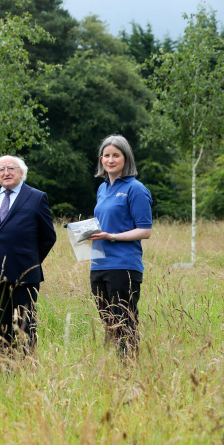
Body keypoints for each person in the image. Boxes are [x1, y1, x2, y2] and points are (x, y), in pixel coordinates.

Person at [0, 155, 57, 356]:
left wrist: (30, 261)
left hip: (25, 274)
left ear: (22, 172)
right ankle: (6, 369)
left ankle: (27, 369)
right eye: (1, 170)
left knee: (24, 325)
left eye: (11, 168)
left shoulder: (36, 197)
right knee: (2, 327)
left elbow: (48, 237)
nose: (6, 173)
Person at [89, 135, 152, 357]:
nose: (111, 159)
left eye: (116, 155)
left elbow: (145, 230)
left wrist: (111, 236)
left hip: (123, 265)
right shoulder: (102, 188)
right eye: (107, 155)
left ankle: (130, 370)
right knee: (109, 323)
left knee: (125, 322)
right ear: (101, 159)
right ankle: (118, 370)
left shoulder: (136, 189)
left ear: (126, 158)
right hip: (98, 264)